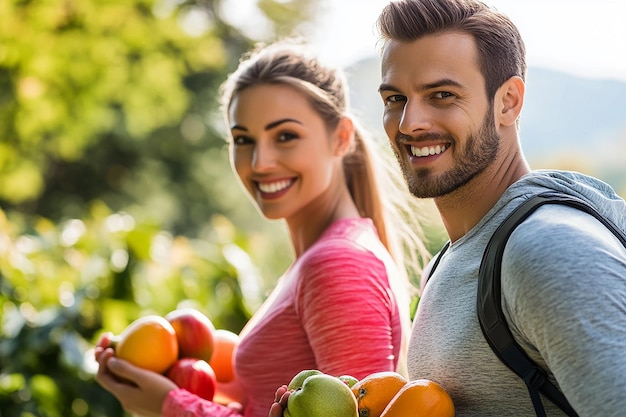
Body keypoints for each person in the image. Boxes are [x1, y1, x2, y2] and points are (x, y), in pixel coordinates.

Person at [94, 39, 431, 417]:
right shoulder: (323, 257)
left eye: (285, 136)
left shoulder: (338, 263)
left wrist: (167, 403)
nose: (260, 162)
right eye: (243, 140)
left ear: (340, 137)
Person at [371, 0, 626, 416]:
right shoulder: (454, 257)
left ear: (508, 101)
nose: (409, 123)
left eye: (442, 95)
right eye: (395, 98)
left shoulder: (547, 252)